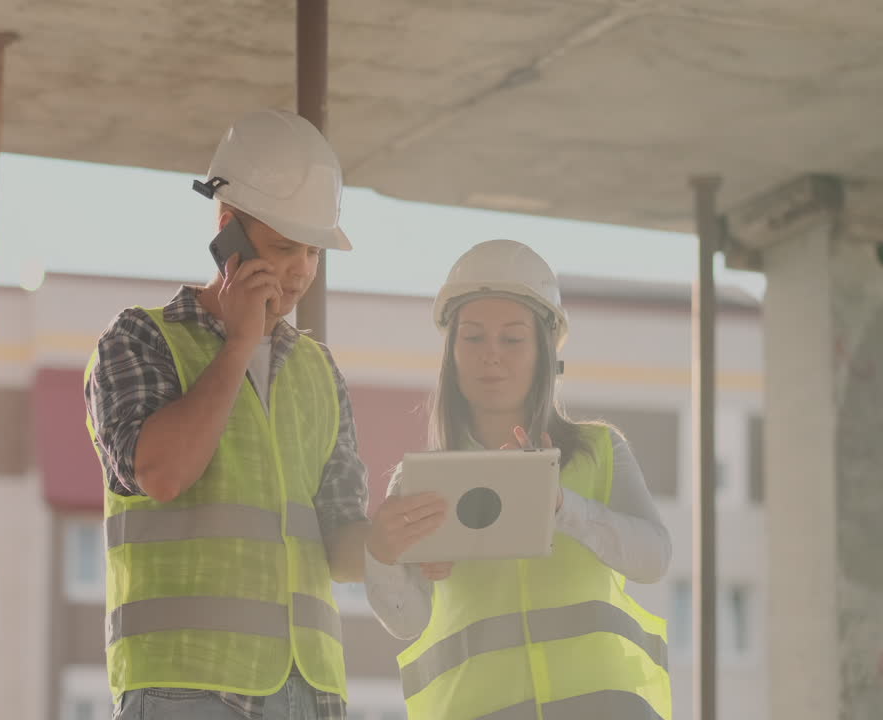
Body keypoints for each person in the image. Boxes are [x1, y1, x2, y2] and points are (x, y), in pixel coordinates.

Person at [83, 109, 370, 720]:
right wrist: (240, 342)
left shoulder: (320, 373)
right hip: (185, 688)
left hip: (311, 693)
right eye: (283, 246)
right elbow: (160, 472)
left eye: (313, 252)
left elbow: (342, 543)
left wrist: (395, 539)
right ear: (227, 229)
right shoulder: (138, 338)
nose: (299, 271)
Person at [364, 239, 674, 720]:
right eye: (473, 337)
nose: (492, 355)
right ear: (452, 353)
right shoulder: (420, 482)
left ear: (544, 352)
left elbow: (655, 558)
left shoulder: (600, 451)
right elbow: (407, 620)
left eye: (512, 338)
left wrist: (561, 507)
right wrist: (381, 554)